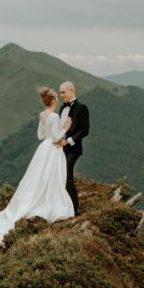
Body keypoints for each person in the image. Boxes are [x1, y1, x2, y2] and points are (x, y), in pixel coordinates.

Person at [0, 87, 75, 248]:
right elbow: (55, 138)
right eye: (56, 97)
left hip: (42, 150)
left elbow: (41, 136)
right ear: (53, 100)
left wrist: (54, 133)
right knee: (51, 178)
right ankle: (47, 202)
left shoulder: (42, 115)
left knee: (36, 178)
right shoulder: (54, 116)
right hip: (52, 150)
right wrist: (66, 127)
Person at [55, 81, 90, 215]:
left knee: (67, 173)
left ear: (71, 91)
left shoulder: (82, 108)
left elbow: (85, 130)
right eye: (60, 92)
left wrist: (68, 141)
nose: (61, 94)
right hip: (59, 148)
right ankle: (64, 205)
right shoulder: (62, 109)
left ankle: (74, 209)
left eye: (63, 92)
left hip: (73, 149)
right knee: (60, 175)